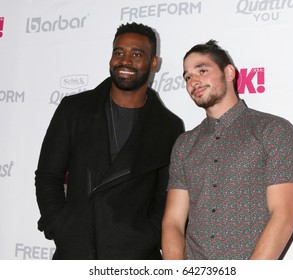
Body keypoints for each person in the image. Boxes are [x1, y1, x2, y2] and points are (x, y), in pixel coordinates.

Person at [35, 22, 184, 260]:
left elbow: (166, 195)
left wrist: (149, 237)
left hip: (134, 255)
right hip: (77, 252)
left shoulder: (168, 126)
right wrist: (61, 227)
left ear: (153, 63)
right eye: (118, 52)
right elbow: (47, 176)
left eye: (136, 54)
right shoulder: (74, 109)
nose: (125, 61)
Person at [162, 40, 293, 260]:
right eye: (187, 76)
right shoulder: (184, 144)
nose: (193, 81)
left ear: (228, 73)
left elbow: (283, 216)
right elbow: (173, 221)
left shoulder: (273, 130)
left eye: (202, 70)